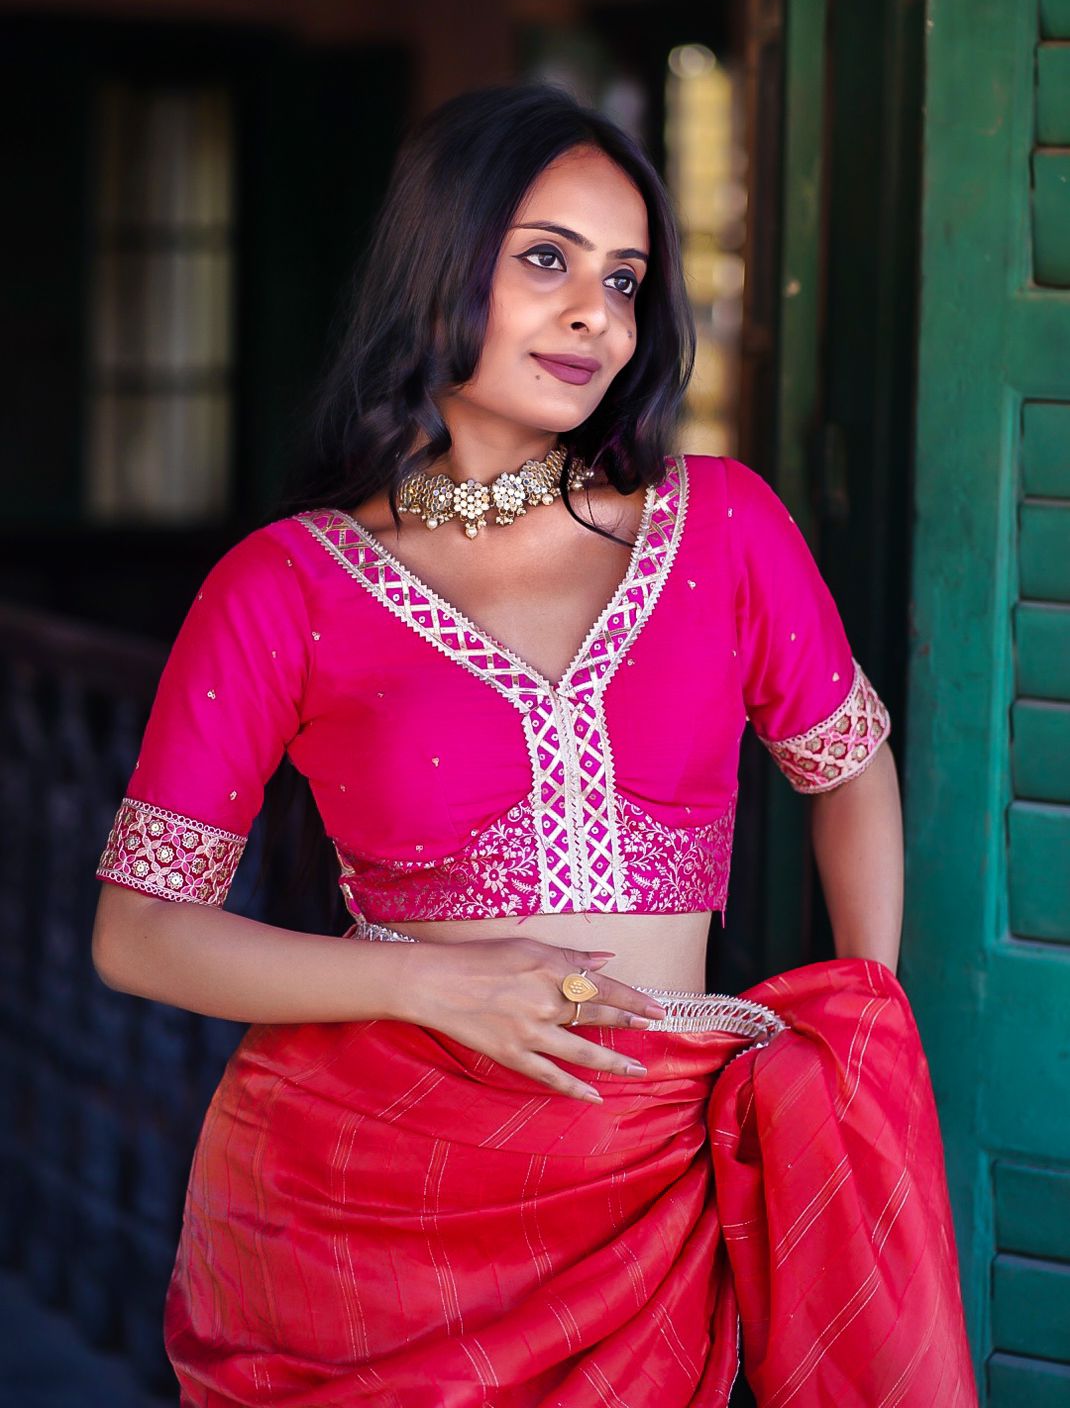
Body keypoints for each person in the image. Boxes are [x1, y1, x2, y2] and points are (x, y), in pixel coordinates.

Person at [90, 82, 976, 1406]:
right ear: (437, 263)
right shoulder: (286, 587)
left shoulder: (718, 529)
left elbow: (844, 764)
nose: (593, 314)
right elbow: (140, 931)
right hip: (365, 1203)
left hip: (649, 1189)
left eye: (624, 279)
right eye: (545, 260)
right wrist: (432, 988)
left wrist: (855, 1033)